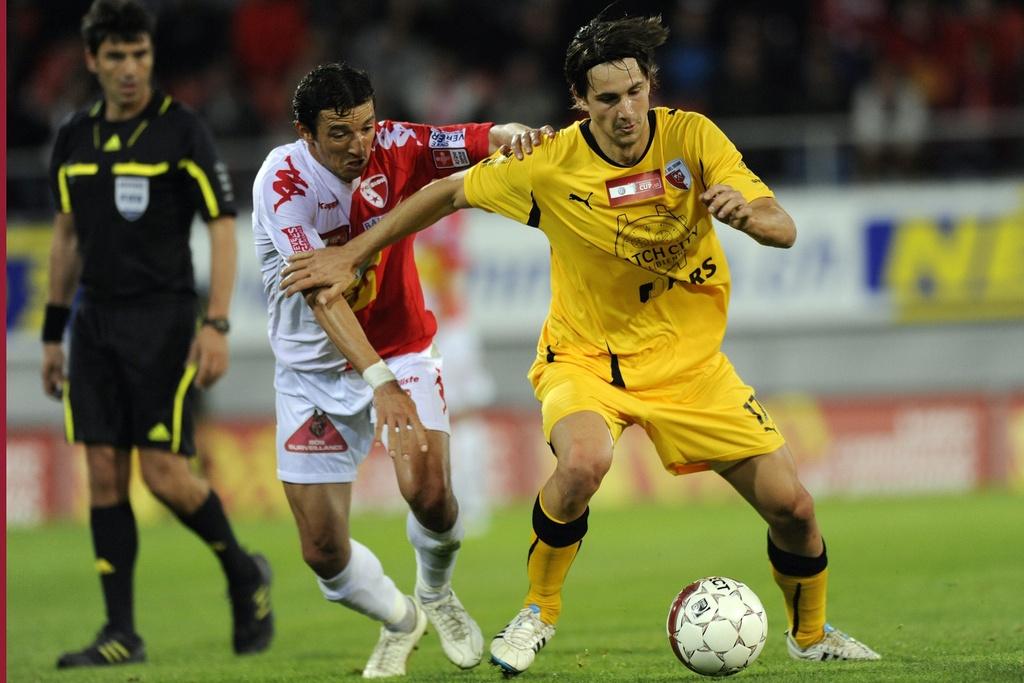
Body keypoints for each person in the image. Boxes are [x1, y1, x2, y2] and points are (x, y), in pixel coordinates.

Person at [280, 13, 883, 677]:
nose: (625, 111)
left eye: (633, 92)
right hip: (585, 359)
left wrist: (749, 216)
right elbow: (448, 191)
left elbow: (783, 225)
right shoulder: (551, 165)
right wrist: (356, 253)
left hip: (691, 365)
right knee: (583, 463)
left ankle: (811, 631)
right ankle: (539, 608)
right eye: (606, 99)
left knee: (793, 507)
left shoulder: (692, 137)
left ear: (649, 84)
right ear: (580, 102)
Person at [252, 62, 550, 678]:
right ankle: (399, 617)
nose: (359, 145)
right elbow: (325, 294)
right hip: (313, 376)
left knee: (433, 497)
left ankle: (436, 594)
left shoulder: (395, 145)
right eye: (339, 133)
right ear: (305, 134)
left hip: (402, 350)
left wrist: (522, 136)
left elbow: (479, 138)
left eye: (365, 126)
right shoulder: (282, 184)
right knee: (323, 551)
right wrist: (376, 385)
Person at [41, 0, 272, 669]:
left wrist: (218, 323)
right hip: (93, 322)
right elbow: (64, 240)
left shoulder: (182, 131)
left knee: (166, 474)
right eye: (115, 56)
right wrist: (54, 335)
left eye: (139, 54)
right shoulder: (72, 140)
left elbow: (222, 227)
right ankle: (121, 631)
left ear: (151, 56)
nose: (130, 68)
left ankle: (242, 571)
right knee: (104, 472)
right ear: (93, 61)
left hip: (166, 320)